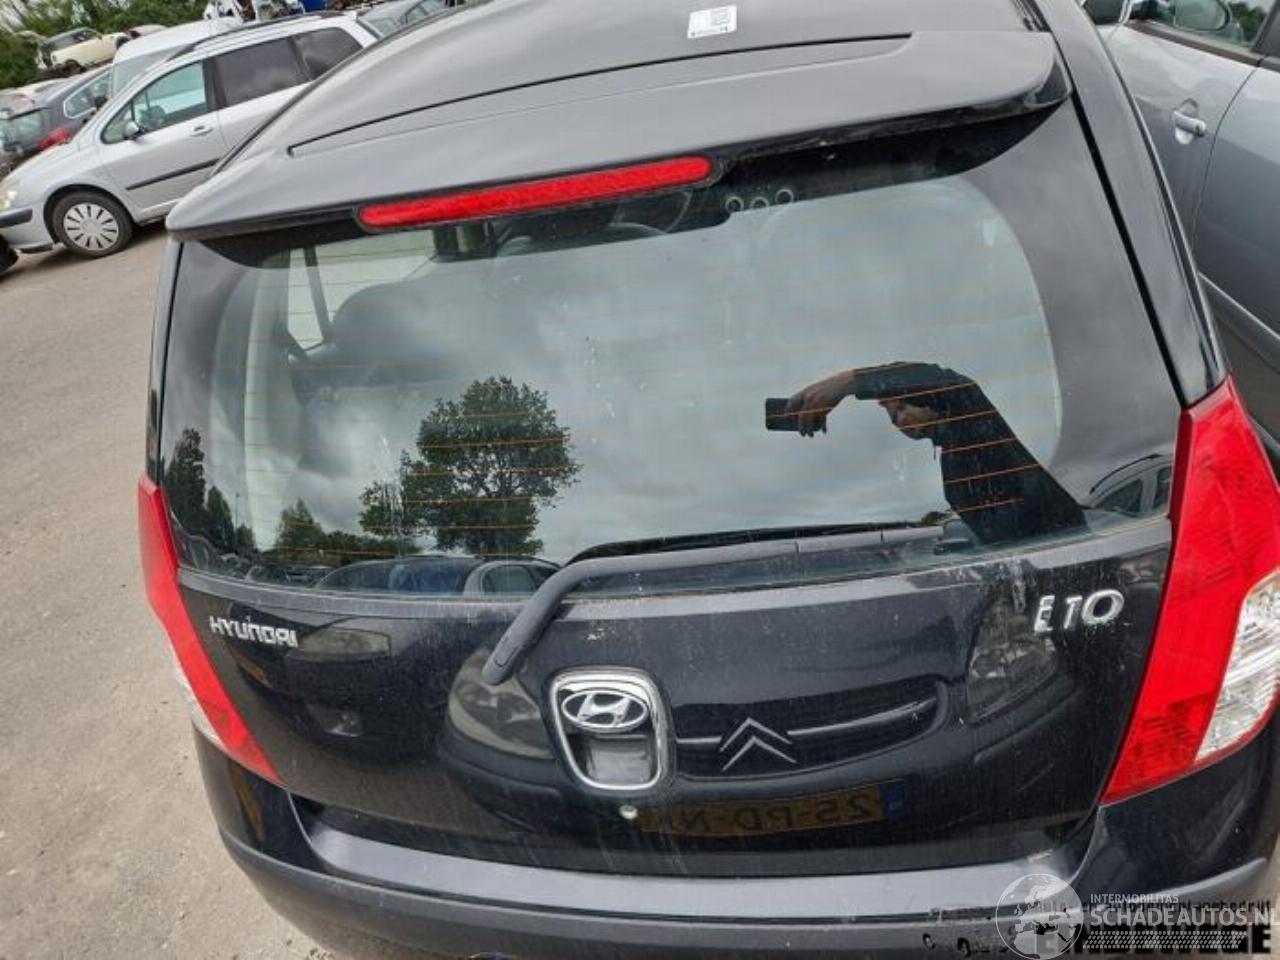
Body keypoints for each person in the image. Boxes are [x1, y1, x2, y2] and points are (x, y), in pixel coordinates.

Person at [783, 361, 1085, 545]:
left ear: (931, 400)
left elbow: (941, 380)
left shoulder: (970, 418)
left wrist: (848, 382)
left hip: (1064, 549)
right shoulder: (951, 452)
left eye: (904, 406)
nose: (900, 420)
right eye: (892, 415)